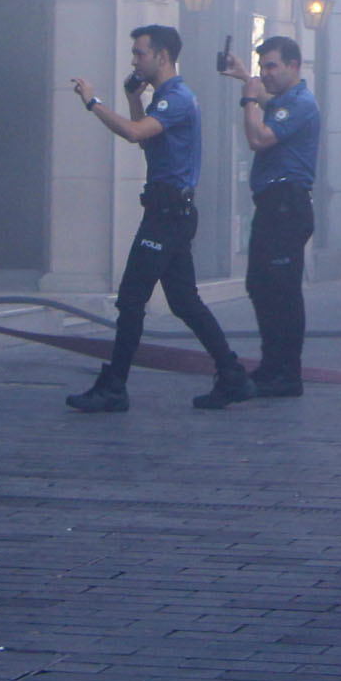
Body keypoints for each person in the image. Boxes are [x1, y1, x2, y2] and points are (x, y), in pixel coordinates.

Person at [65, 25, 252, 412]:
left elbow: (135, 134)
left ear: (162, 56)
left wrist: (92, 102)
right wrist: (134, 98)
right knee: (185, 301)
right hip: (169, 213)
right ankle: (232, 375)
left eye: (139, 54)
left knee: (132, 298)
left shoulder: (177, 98)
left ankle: (115, 386)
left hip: (168, 218)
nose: (135, 60)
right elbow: (149, 142)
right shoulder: (164, 99)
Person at [220, 34, 318, 397]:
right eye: (263, 67)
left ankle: (287, 372)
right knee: (260, 285)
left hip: (286, 204)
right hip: (273, 203)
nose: (267, 74)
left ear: (294, 66)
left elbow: (259, 138)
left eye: (272, 66)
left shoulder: (301, 103)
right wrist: (247, 78)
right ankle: (272, 364)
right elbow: (269, 105)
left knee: (282, 289)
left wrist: (248, 98)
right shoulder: (285, 102)